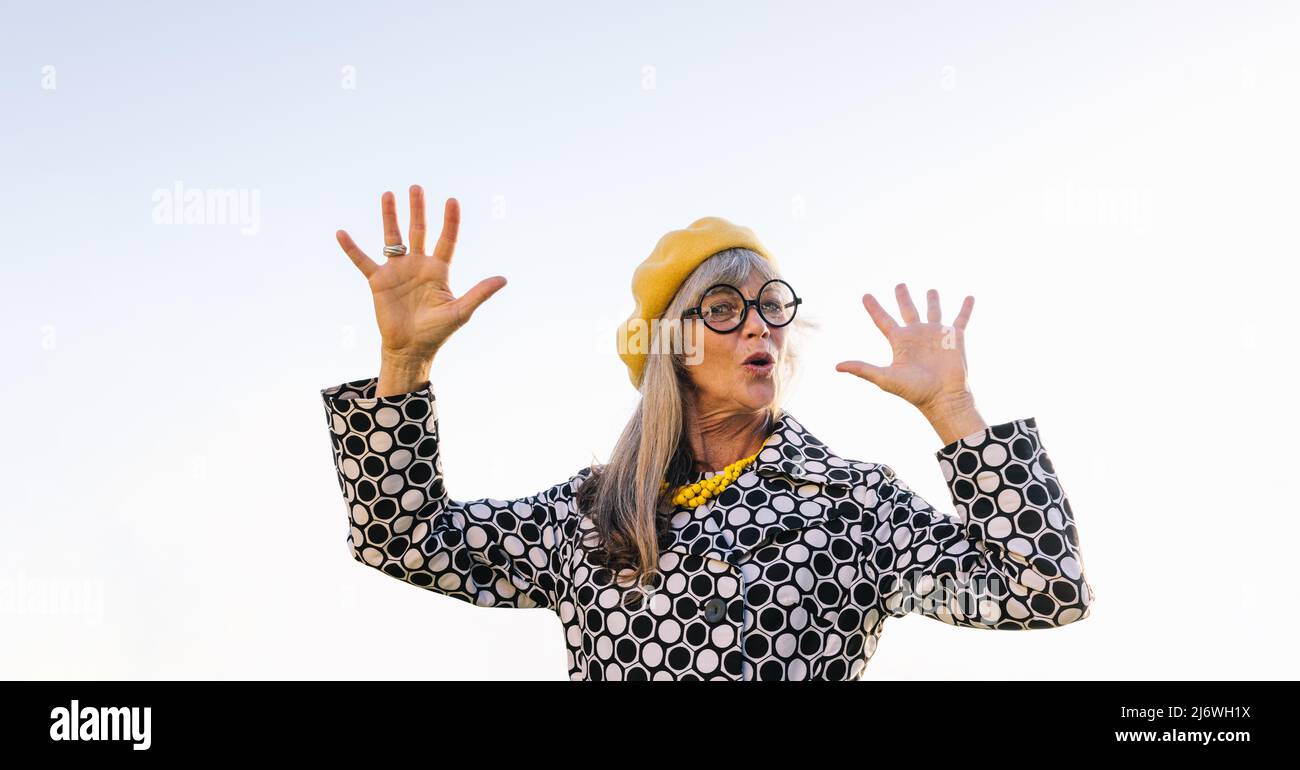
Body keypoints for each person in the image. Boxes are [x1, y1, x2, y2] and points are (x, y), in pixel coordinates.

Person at [321, 184, 1096, 681]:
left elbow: (1046, 591)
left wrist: (952, 412)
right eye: (723, 308)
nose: (757, 324)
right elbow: (402, 536)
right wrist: (403, 363)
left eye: (772, 306)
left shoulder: (854, 505)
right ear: (672, 347)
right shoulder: (592, 512)